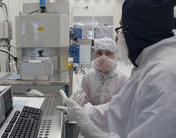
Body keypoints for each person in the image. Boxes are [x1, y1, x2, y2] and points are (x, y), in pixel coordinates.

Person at [57, 0, 176, 138]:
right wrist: (82, 112)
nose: (121, 36)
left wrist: (89, 128)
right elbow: (119, 111)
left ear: (137, 30)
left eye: (122, 29)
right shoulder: (149, 66)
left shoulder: (164, 75)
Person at [70, 38, 128, 106]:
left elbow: (122, 107)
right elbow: (84, 105)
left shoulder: (123, 80)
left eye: (108, 53)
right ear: (94, 55)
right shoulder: (87, 79)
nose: (103, 57)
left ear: (114, 56)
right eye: (99, 53)